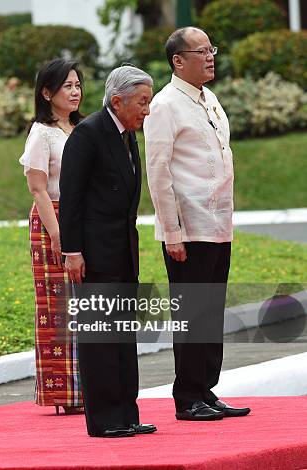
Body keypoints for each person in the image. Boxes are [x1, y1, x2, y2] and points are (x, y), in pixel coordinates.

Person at [143, 27, 250, 421]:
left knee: (210, 310)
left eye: (211, 50)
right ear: (177, 60)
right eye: (201, 51)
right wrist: (171, 232)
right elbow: (159, 172)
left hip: (217, 223)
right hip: (187, 229)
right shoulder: (165, 105)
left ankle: (206, 389)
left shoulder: (210, 98)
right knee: (191, 311)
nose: (210, 57)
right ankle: (187, 397)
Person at [59, 65, 156, 438]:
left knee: (122, 337)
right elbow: (72, 200)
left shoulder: (127, 134)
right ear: (118, 101)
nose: (146, 110)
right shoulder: (88, 134)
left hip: (122, 254)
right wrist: (73, 251)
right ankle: (105, 421)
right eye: (142, 102)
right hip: (94, 256)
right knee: (100, 339)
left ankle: (127, 415)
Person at [19, 58, 84, 415]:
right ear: (47, 93)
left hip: (83, 218)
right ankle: (64, 392)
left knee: (87, 303)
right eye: (67, 87)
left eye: (78, 85)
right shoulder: (42, 133)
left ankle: (90, 386)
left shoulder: (83, 128)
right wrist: (58, 234)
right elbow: (37, 188)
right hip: (52, 220)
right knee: (57, 308)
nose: (75, 92)